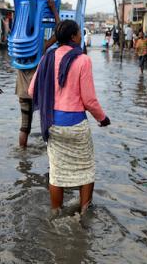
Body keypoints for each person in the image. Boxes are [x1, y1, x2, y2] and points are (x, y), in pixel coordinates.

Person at [28, 20, 110, 215]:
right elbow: (89, 100)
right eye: (79, 33)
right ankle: (84, 212)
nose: (81, 37)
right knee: (86, 169)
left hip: (52, 125)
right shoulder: (82, 60)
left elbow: (32, 91)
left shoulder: (47, 58)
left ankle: (56, 213)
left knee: (57, 173)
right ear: (73, 36)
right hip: (76, 125)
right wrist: (102, 118)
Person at [16, 0, 60, 148]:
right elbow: (59, 34)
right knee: (48, 123)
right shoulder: (38, 48)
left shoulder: (17, 49)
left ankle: (23, 156)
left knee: (25, 126)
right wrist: (54, 9)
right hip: (38, 93)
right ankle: (50, 152)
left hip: (22, 93)